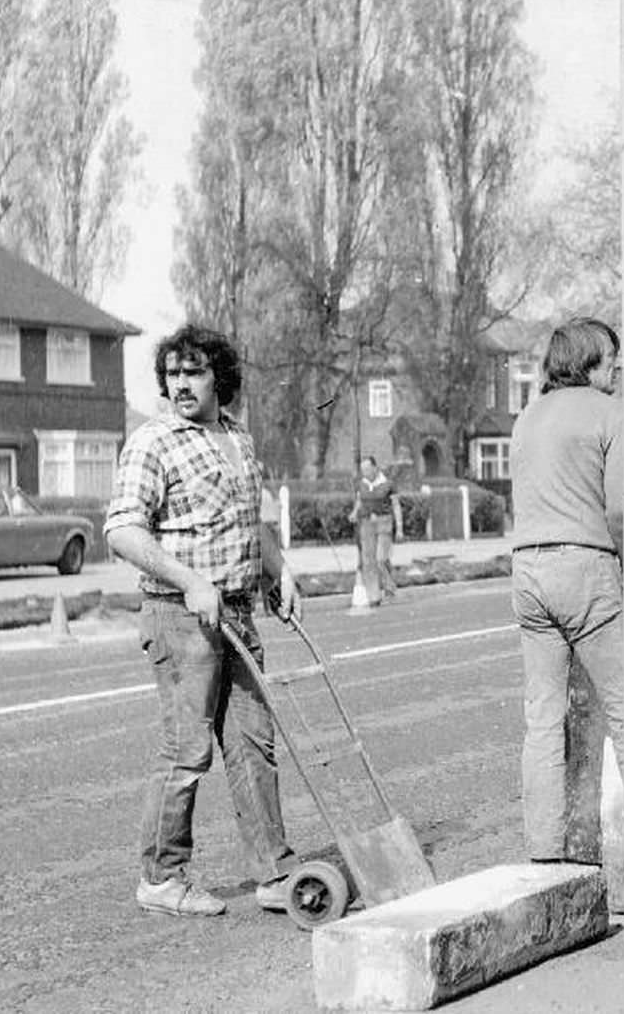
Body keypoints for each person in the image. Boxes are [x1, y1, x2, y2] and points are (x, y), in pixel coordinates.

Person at [105, 323, 301, 916]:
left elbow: (249, 521)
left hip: (238, 612)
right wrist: (190, 582)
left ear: (220, 376)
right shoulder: (153, 442)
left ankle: (274, 873)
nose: (181, 384)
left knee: (253, 745)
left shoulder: (236, 437)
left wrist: (280, 571)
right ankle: (162, 879)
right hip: (179, 616)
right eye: (172, 374)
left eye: (193, 372)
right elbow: (121, 530)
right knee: (187, 752)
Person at [507, 316, 624, 862]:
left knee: (543, 721)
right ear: (588, 364)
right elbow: (620, 509)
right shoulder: (609, 412)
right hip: (585, 568)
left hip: (528, 574)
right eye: (609, 362)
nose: (616, 372)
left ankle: (545, 850)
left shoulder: (527, 417)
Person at [349, 455, 397, 607]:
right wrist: (354, 513)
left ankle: (389, 587)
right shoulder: (361, 484)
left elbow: (396, 505)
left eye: (368, 469)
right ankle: (373, 595)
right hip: (366, 523)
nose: (366, 472)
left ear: (376, 468)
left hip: (384, 521)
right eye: (363, 470)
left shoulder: (388, 483)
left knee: (381, 558)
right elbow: (359, 501)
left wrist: (400, 526)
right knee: (368, 560)